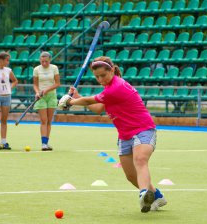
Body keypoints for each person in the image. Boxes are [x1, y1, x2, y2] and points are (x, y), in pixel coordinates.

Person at [58, 56, 167, 213]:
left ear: (112, 70)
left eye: (103, 75)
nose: (100, 79)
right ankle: (156, 196)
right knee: (131, 175)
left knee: (140, 160)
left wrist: (70, 102)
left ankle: (144, 194)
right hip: (124, 135)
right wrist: (76, 96)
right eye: (97, 77)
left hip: (143, 129)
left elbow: (90, 101)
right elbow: (97, 108)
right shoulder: (108, 90)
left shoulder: (118, 86)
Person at [33, 51, 60, 151]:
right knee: (44, 121)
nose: (44, 63)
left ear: (50, 60)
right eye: (42, 61)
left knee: (49, 121)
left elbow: (57, 83)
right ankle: (43, 144)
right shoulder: (36, 69)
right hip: (41, 97)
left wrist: (47, 90)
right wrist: (37, 92)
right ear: (40, 60)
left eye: (46, 61)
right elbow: (35, 84)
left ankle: (46, 143)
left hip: (52, 96)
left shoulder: (54, 68)